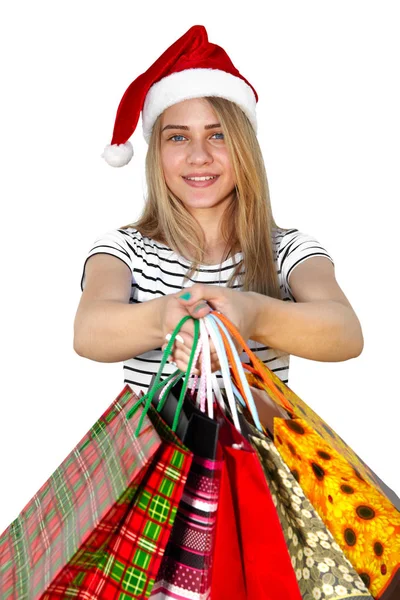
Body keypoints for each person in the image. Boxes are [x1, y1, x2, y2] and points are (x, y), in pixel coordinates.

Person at [73, 24, 364, 402]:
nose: (199, 156)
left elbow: (346, 333)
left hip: (258, 461)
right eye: (178, 137)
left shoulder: (288, 252)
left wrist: (252, 315)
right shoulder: (124, 250)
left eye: (218, 134)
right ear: (156, 154)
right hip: (162, 464)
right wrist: (164, 319)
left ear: (244, 147)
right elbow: (88, 332)